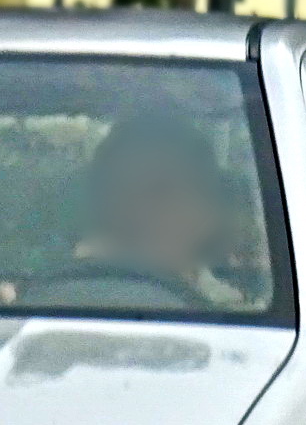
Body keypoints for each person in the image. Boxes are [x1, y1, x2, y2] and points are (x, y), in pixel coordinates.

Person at [74, 120, 247, 307]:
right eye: (120, 189)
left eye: (161, 190)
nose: (138, 208)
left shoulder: (238, 313)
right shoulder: (61, 299)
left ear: (208, 214)